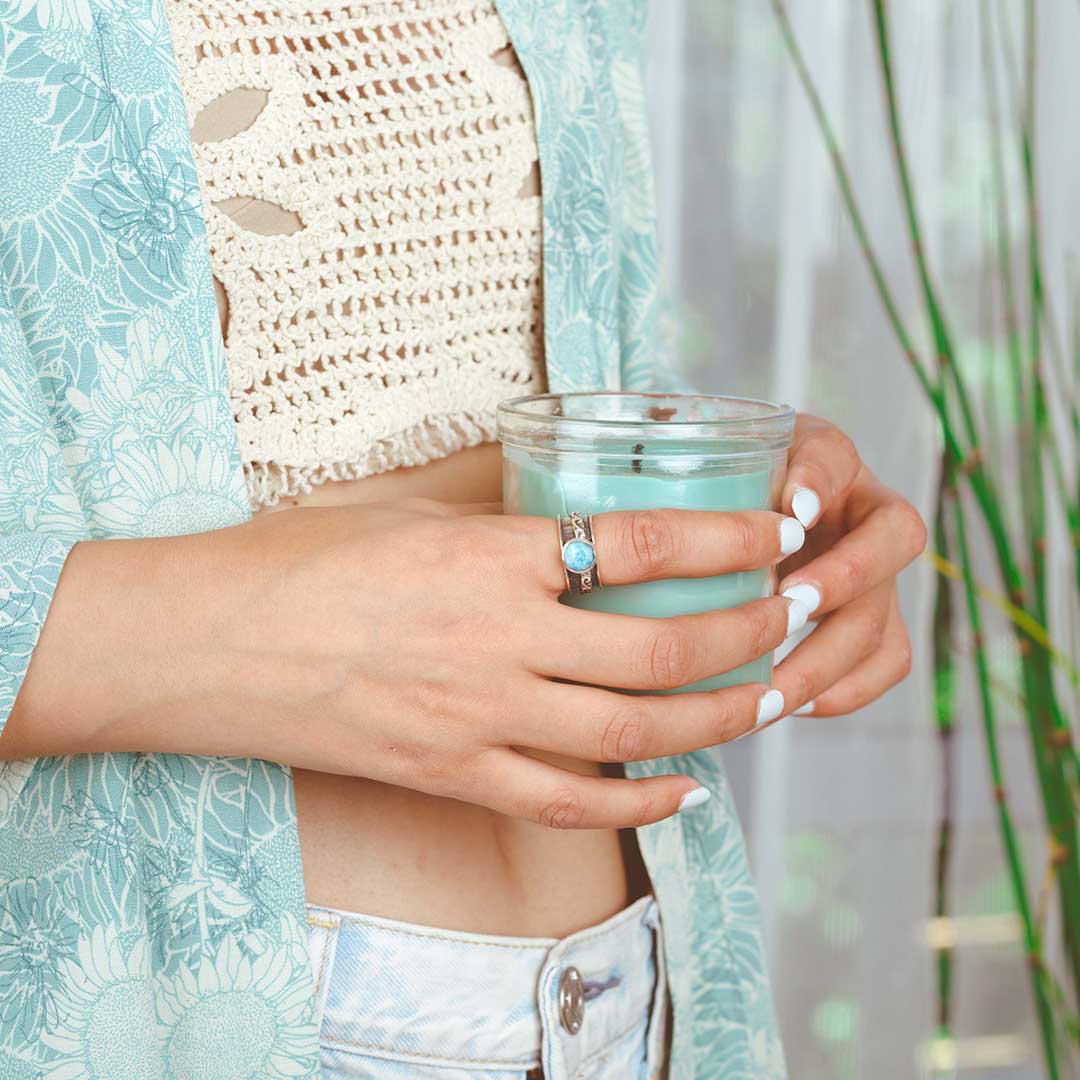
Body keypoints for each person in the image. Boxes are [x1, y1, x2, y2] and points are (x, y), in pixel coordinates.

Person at [0, 0, 925, 1077]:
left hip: (642, 982)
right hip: (201, 1017)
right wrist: (269, 631)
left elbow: (562, 364)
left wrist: (745, 516)